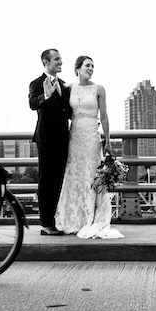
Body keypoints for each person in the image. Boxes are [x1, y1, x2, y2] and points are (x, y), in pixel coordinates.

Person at [54, 56, 123, 239]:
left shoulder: (99, 89)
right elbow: (63, 112)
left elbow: (105, 116)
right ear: (78, 68)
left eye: (93, 66)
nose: (91, 68)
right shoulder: (69, 88)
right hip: (74, 137)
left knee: (92, 175)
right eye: (87, 65)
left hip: (92, 137)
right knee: (74, 175)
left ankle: (92, 217)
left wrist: (107, 140)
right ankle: (75, 218)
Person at [29, 49, 72, 236]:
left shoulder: (65, 85)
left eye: (61, 59)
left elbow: (69, 112)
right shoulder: (37, 83)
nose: (60, 62)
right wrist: (45, 96)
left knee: (59, 180)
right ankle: (46, 224)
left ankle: (57, 219)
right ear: (46, 63)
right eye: (56, 59)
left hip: (64, 139)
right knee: (47, 182)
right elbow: (32, 103)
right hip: (46, 140)